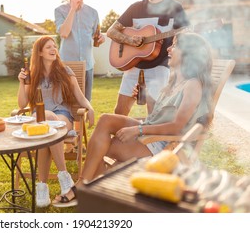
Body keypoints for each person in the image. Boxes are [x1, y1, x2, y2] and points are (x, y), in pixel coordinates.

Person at [53, 32, 213, 207]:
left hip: (166, 147)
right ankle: (88, 186)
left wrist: (138, 130)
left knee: (98, 150)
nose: (169, 48)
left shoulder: (193, 85)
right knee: (106, 121)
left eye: (174, 45)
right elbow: (156, 117)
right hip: (153, 134)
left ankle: (86, 187)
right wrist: (148, 99)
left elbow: (177, 127)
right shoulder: (175, 81)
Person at [17, 36, 94, 207]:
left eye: (54, 46)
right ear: (40, 52)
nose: (54, 50)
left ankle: (42, 186)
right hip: (40, 118)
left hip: (62, 116)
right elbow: (22, 104)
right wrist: (21, 83)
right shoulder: (32, 75)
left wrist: (91, 108)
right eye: (48, 47)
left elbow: (80, 96)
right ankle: (63, 177)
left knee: (49, 123)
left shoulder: (65, 71)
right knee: (47, 126)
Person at [107, 0, 189, 115]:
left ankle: (151, 139)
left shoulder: (174, 8)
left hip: (161, 67)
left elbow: (185, 37)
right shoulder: (135, 8)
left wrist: (178, 44)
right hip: (133, 66)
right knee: (119, 112)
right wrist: (130, 40)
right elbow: (111, 31)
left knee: (154, 113)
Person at [55, 0, 105, 102]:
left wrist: (100, 38)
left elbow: (95, 37)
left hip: (87, 65)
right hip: (67, 66)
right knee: (68, 104)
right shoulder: (59, 11)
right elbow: (64, 33)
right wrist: (72, 9)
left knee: (86, 104)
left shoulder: (93, 12)